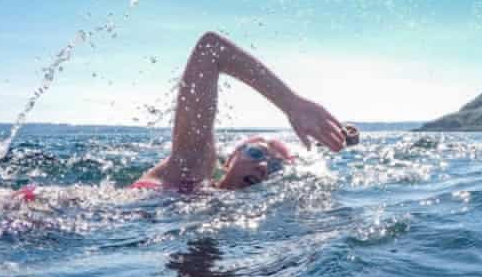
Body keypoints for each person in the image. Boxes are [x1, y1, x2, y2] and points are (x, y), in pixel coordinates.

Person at [131, 32, 347, 193]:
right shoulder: (190, 168)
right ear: (229, 162)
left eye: (275, 166)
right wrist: (291, 104)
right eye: (256, 153)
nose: (263, 166)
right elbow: (211, 48)